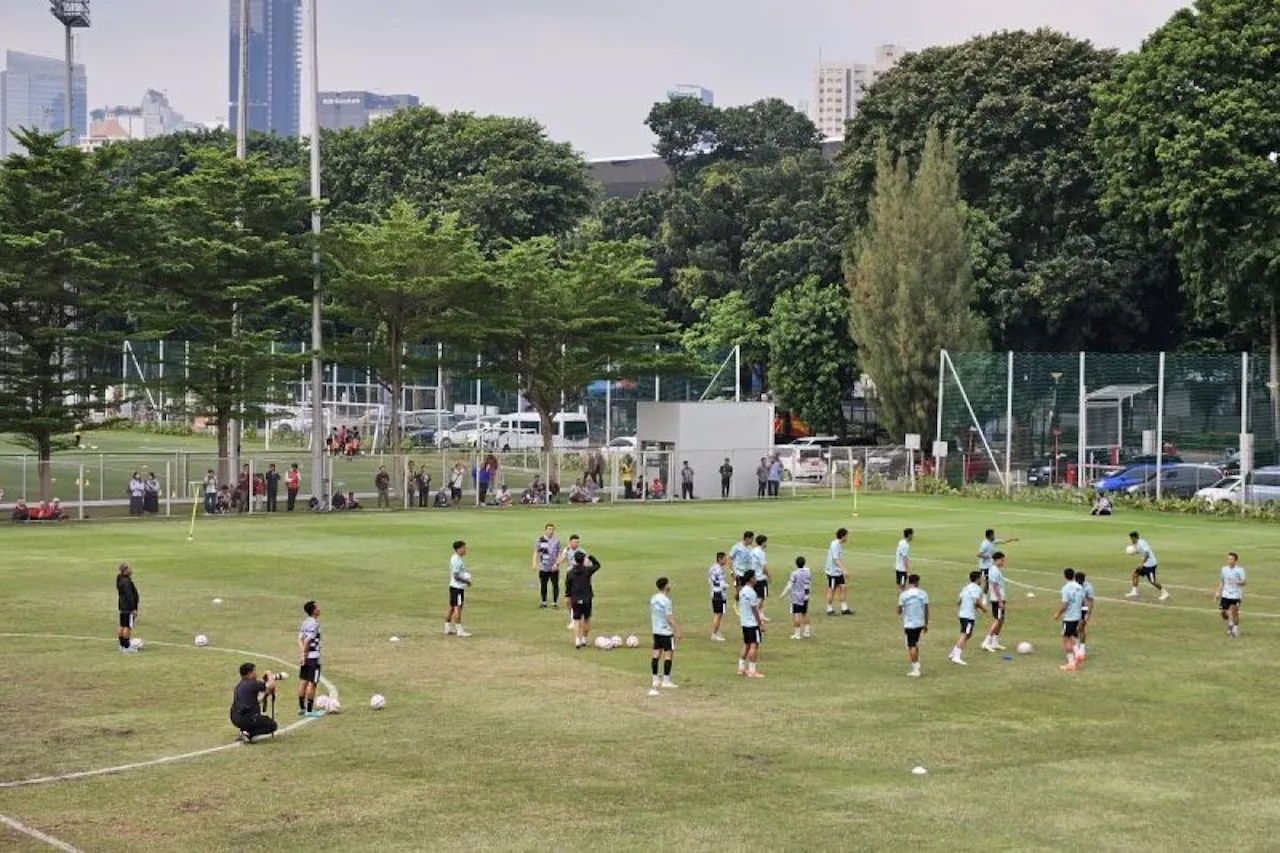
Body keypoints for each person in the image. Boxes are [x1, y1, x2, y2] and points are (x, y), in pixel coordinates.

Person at [230, 663, 279, 743]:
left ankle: (245, 730)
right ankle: (248, 733)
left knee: (257, 719)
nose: (256, 674)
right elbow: (271, 685)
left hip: (235, 717)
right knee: (272, 725)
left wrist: (265, 694)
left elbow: (256, 700)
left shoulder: (240, 685)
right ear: (250, 673)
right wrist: (270, 674)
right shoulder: (252, 683)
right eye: (254, 671)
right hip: (248, 717)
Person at [648, 577, 681, 695]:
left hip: (656, 630)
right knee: (668, 654)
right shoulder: (666, 601)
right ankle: (666, 680)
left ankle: (655, 679)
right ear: (665, 586)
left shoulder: (653, 598)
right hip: (666, 631)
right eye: (669, 584)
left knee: (656, 653)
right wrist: (677, 630)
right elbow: (669, 617)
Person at [566, 550, 602, 649]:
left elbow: (568, 589)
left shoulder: (570, 573)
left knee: (576, 620)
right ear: (583, 560)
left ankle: (577, 640)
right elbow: (597, 565)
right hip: (587, 598)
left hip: (576, 598)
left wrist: (568, 598)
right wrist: (590, 556)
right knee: (586, 618)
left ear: (574, 560)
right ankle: (584, 639)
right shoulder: (587, 570)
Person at [950, 570, 986, 666]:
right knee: (965, 634)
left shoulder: (965, 587)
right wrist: (984, 609)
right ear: (978, 579)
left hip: (962, 614)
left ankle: (954, 652)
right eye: (981, 578)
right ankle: (956, 657)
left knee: (967, 634)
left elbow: (958, 601)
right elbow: (976, 602)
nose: (982, 580)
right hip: (969, 616)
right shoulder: (977, 588)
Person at [1053, 568, 1086, 671]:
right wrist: (1082, 616)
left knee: (1066, 639)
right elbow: (1083, 603)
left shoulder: (1065, 588)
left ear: (1064, 576)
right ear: (1074, 575)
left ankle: (1071, 664)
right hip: (1077, 617)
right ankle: (1079, 653)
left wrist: (1058, 614)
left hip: (1069, 618)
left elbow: (1066, 604)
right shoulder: (1079, 587)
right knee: (1073, 636)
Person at [297, 601, 325, 717]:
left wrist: (303, 654)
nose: (319, 608)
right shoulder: (315, 624)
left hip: (306, 657)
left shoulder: (305, 623)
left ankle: (302, 708)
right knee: (312, 683)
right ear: (313, 610)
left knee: (304, 681)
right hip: (313, 657)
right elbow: (308, 640)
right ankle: (309, 710)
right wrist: (305, 653)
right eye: (317, 607)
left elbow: (299, 639)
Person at [898, 573, 929, 677]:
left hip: (909, 624)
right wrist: (925, 623)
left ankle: (916, 668)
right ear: (917, 582)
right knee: (914, 643)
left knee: (911, 646)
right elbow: (926, 609)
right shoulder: (923, 594)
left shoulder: (904, 595)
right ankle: (917, 662)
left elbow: (899, 610)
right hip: (920, 623)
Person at [736, 572, 765, 678]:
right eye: (754, 577)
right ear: (750, 579)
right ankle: (752, 670)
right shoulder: (752, 593)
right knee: (754, 645)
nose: (756, 579)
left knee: (746, 644)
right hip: (752, 623)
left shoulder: (742, 591)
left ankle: (741, 667)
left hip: (744, 622)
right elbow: (755, 610)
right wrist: (760, 623)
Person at [1126, 531, 1169, 600]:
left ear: (1135, 537)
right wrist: (1133, 552)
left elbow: (1147, 554)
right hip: (1145, 564)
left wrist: (1141, 564)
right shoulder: (1136, 543)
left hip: (1150, 564)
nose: (1131, 539)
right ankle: (1134, 592)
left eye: (1132, 538)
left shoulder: (1141, 543)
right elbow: (1140, 551)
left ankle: (1165, 593)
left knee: (1152, 581)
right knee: (1135, 574)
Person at [981, 551, 1009, 652]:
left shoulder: (996, 570)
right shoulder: (994, 571)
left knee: (1001, 620)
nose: (1003, 562)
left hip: (999, 599)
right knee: (997, 620)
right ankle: (986, 641)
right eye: (1002, 560)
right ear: (997, 560)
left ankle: (994, 642)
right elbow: (995, 587)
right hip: (997, 600)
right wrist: (1000, 601)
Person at [976, 529, 1018, 596]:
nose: (994, 536)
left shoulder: (993, 541)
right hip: (984, 566)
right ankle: (983, 596)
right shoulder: (984, 544)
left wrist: (1013, 539)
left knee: (992, 581)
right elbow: (978, 554)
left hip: (991, 565)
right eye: (993, 535)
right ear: (989, 536)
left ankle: (994, 595)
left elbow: (1003, 541)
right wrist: (988, 556)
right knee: (987, 582)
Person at [781, 555, 813, 640]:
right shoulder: (808, 571)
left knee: (796, 614)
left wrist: (783, 595)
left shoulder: (795, 573)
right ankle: (807, 632)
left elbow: (789, 586)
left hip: (796, 596)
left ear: (796, 564)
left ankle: (797, 634)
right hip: (805, 596)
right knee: (804, 613)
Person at [445, 540, 472, 637]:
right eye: (464, 548)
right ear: (458, 549)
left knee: (451, 607)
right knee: (458, 608)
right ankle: (459, 631)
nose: (465, 550)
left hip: (453, 586)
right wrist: (467, 581)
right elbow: (456, 575)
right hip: (458, 588)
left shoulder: (454, 558)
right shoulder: (457, 560)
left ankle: (447, 628)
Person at [824, 527, 854, 616]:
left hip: (837, 571)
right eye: (846, 536)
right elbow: (836, 559)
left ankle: (844, 608)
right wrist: (844, 570)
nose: (847, 537)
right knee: (832, 589)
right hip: (832, 572)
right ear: (843, 536)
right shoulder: (835, 544)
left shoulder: (839, 544)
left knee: (843, 587)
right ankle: (829, 609)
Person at [1216, 551, 1246, 638]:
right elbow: (1222, 581)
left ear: (1235, 560)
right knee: (1223, 612)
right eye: (1228, 559)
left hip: (1236, 595)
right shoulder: (1224, 569)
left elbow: (1244, 582)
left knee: (1234, 612)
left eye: (1231, 559)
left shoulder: (1240, 570)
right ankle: (1231, 624)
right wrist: (1218, 592)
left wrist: (1237, 582)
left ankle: (1235, 629)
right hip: (1226, 594)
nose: (1229, 561)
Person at [533, 523, 562, 609]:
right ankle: (544, 601)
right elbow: (536, 552)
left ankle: (555, 602)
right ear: (545, 530)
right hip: (544, 566)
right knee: (543, 584)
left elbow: (559, 553)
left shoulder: (556, 540)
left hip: (554, 567)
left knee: (555, 584)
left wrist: (557, 564)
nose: (550, 531)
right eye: (549, 529)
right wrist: (534, 563)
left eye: (552, 529)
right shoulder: (540, 540)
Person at [559, 534, 585, 629]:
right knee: (568, 600)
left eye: (577, 542)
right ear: (570, 542)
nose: (576, 543)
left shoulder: (581, 552)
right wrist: (556, 563)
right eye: (574, 541)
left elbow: (586, 562)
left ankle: (577, 619)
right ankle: (573, 618)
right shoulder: (567, 550)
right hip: (570, 577)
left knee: (577, 599)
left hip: (579, 578)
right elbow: (561, 560)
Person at [116, 562, 140, 653]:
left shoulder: (120, 578)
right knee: (127, 627)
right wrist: (134, 608)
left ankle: (122, 645)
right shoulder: (126, 582)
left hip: (122, 606)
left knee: (122, 625)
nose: (131, 570)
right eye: (129, 569)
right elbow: (130, 596)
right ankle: (126, 647)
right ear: (125, 570)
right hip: (128, 607)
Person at [708, 551, 729, 642]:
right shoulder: (719, 570)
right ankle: (714, 634)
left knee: (718, 614)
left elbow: (710, 580)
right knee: (718, 614)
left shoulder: (712, 568)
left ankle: (716, 631)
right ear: (720, 559)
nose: (726, 560)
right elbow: (721, 584)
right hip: (719, 594)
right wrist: (726, 585)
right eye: (725, 558)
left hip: (714, 592)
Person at [750, 535, 770, 621]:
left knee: (757, 597)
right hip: (760, 578)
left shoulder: (753, 550)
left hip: (754, 578)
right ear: (763, 542)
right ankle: (756, 615)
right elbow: (764, 567)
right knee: (761, 597)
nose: (766, 543)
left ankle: (761, 614)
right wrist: (769, 576)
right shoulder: (761, 553)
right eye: (766, 541)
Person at [1076, 571, 1095, 661]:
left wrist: (1088, 614)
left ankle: (1082, 649)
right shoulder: (1073, 585)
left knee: (1081, 627)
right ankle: (1077, 647)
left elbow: (1091, 601)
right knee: (1075, 629)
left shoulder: (1088, 587)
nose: (1079, 582)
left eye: (1081, 581)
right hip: (1074, 609)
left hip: (1083, 609)